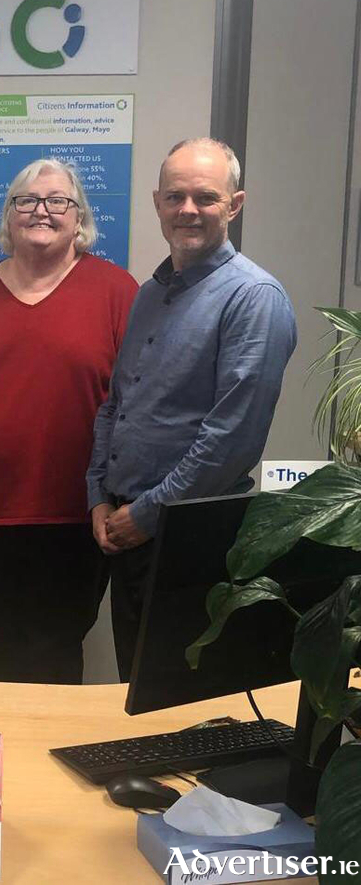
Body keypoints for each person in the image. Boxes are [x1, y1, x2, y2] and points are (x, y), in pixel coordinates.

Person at [0, 159, 138, 684]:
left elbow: (141, 402)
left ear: (78, 217)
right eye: (27, 200)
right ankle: (7, 762)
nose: (42, 210)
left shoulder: (116, 291)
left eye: (58, 200)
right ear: (9, 215)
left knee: (59, 650)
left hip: (79, 514)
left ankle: (53, 759)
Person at [87, 138, 297, 681]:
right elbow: (117, 405)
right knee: (136, 689)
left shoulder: (254, 298)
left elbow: (231, 440)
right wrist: (98, 498)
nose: (188, 210)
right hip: (126, 527)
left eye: (205, 197)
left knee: (178, 695)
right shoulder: (150, 294)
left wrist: (147, 514)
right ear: (157, 202)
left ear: (235, 204)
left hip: (190, 536)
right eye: (175, 196)